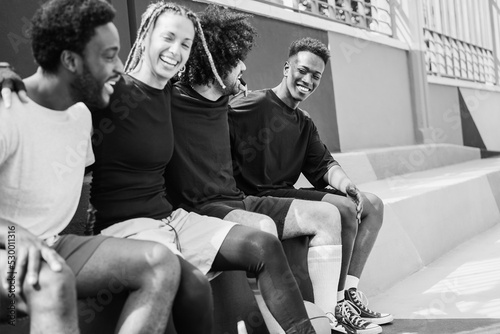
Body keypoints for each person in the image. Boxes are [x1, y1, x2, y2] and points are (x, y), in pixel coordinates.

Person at [88, 2, 317, 333]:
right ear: (146, 35)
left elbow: (213, 90)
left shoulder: (171, 94)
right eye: (168, 38)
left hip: (172, 219)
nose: (176, 51)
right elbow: (52, 93)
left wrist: (236, 83)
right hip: (126, 226)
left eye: (185, 44)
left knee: (263, 244)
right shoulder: (111, 90)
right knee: (189, 285)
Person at [164, 5, 354, 333]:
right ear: (216, 60)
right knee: (263, 227)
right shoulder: (172, 99)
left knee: (329, 216)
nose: (244, 66)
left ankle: (328, 318)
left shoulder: (227, 102)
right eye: (236, 59)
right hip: (204, 208)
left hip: (239, 199)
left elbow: (321, 162)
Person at [0, 1, 181, 333]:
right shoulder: (8, 109)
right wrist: (12, 234)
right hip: (7, 246)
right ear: (70, 60)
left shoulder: (82, 115)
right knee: (53, 280)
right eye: (109, 56)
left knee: (161, 263)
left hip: (51, 244)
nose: (121, 67)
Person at [228, 37, 394, 333]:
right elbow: (215, 120)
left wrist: (346, 185)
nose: (307, 80)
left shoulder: (304, 122)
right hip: (257, 196)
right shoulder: (251, 104)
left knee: (372, 205)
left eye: (316, 76)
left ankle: (348, 295)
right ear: (286, 67)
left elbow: (324, 165)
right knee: (342, 209)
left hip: (284, 191)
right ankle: (335, 304)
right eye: (302, 70)